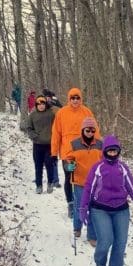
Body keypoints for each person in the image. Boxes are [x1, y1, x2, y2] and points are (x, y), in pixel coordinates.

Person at [78, 135, 133, 266]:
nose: (113, 154)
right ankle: (100, 261)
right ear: (104, 151)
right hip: (100, 208)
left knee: (120, 241)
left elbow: (132, 187)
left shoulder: (123, 168)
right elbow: (88, 188)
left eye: (115, 151)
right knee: (106, 239)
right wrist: (83, 207)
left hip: (121, 209)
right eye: (110, 151)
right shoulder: (98, 168)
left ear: (119, 152)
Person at [50, 87, 98, 220]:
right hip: (67, 154)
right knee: (69, 177)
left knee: (84, 178)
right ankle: (71, 204)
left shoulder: (87, 112)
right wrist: (54, 152)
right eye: (73, 98)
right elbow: (56, 133)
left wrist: (99, 149)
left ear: (81, 99)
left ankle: (85, 203)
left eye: (77, 98)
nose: (75, 100)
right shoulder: (61, 113)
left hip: (84, 153)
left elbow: (95, 131)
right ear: (69, 99)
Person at [65, 117, 102, 243]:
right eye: (88, 130)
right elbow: (68, 159)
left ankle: (92, 236)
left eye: (93, 130)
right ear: (83, 130)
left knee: (93, 209)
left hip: (96, 182)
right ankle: (77, 227)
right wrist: (69, 165)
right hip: (79, 181)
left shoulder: (100, 144)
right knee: (80, 206)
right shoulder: (74, 144)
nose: (90, 133)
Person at [25, 96, 59, 193]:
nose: (41, 106)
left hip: (49, 144)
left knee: (49, 164)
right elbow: (29, 128)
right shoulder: (32, 115)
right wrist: (34, 136)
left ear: (45, 104)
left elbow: (57, 126)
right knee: (38, 165)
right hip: (37, 144)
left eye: (43, 103)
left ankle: (50, 183)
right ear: (36, 105)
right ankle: (39, 185)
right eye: (39, 104)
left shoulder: (51, 114)